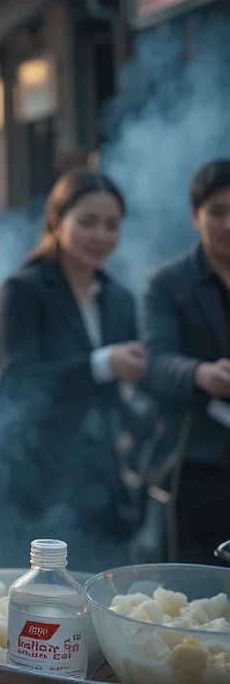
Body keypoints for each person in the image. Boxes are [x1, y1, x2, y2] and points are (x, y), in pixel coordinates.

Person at [0, 171, 147, 572]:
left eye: (112, 225)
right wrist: (102, 363)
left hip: (97, 482)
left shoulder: (119, 299)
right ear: (56, 221)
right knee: (32, 613)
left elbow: (121, 389)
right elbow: (20, 380)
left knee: (95, 609)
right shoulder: (24, 290)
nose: (100, 234)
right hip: (31, 474)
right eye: (87, 222)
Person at [140, 159, 230, 566]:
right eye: (217, 212)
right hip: (194, 459)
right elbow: (155, 362)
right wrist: (200, 373)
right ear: (196, 216)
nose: (228, 224)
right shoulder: (167, 283)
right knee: (193, 584)